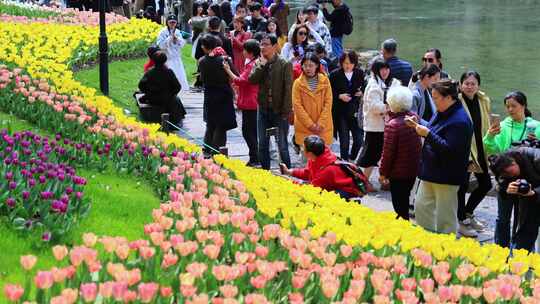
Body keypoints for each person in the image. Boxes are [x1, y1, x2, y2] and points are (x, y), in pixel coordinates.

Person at [407, 79, 473, 234]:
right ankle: (428, 241)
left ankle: (446, 250)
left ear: (449, 97)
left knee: (445, 217)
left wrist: (427, 134)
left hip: (447, 175)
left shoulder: (460, 121)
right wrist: (418, 122)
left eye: (436, 97)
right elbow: (434, 129)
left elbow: (450, 150)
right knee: (421, 207)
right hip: (430, 171)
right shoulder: (442, 111)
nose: (433, 100)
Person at [484, 91, 540, 248]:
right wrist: (489, 136)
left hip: (528, 177)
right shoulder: (502, 126)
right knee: (503, 217)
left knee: (525, 218)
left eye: (513, 106)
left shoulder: (536, 126)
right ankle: (500, 248)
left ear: (523, 106)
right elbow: (493, 150)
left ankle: (523, 250)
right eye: (507, 106)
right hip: (506, 174)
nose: (510, 109)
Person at [456, 71, 493, 238]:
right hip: (464, 149)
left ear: (478, 85)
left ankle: (468, 213)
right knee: (462, 187)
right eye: (467, 83)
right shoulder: (456, 101)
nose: (470, 87)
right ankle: (461, 221)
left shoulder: (483, 100)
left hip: (481, 146)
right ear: (461, 84)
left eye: (473, 83)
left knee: (486, 184)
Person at [249, 33, 293, 170]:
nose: (262, 47)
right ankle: (266, 173)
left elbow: (288, 89)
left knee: (282, 145)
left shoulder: (284, 64)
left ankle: (287, 173)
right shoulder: (259, 62)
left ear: (274, 46)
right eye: (261, 44)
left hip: (279, 111)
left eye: (266, 44)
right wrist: (262, 65)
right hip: (262, 109)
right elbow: (252, 80)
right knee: (262, 143)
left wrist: (286, 111)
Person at [379, 86, 422, 220]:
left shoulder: (393, 125)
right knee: (404, 201)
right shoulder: (413, 118)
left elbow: (388, 153)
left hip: (398, 173)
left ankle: (404, 233)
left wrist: (382, 173)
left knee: (399, 207)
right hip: (413, 169)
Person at [359, 59, 400, 190]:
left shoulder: (387, 83)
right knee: (371, 155)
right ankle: (363, 182)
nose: (385, 72)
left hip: (382, 126)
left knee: (382, 154)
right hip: (374, 127)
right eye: (382, 69)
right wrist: (389, 107)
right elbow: (374, 107)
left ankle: (382, 180)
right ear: (376, 70)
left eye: (387, 69)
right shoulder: (374, 86)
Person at [489, 147, 540, 252]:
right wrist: (506, 188)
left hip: (533, 191)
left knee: (527, 220)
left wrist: (534, 192)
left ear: (513, 163)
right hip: (508, 191)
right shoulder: (500, 164)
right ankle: (500, 252)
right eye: (507, 175)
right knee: (503, 219)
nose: (511, 176)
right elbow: (499, 181)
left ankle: (520, 252)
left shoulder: (536, 158)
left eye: (511, 173)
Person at [279, 135, 361, 200]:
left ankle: (351, 202)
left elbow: (313, 188)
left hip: (347, 190)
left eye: (303, 147)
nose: (302, 149)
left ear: (310, 153)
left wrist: (288, 183)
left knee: (320, 197)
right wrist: (290, 172)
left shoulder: (326, 169)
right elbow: (308, 173)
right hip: (333, 185)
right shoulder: (317, 156)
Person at [198, 34, 238, 156]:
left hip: (209, 93)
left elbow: (201, 79)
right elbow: (235, 74)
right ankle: (218, 150)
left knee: (210, 122)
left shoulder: (202, 61)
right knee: (221, 124)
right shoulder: (224, 59)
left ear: (204, 47)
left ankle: (206, 148)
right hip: (224, 93)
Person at [223, 39, 260, 166]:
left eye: (244, 50)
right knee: (250, 131)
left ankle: (255, 157)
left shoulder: (251, 65)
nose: (242, 52)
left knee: (248, 131)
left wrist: (228, 70)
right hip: (251, 100)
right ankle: (255, 156)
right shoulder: (254, 63)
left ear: (250, 53)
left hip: (250, 102)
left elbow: (240, 80)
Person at [292, 53, 333, 149]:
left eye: (311, 65)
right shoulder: (298, 84)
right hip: (304, 128)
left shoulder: (325, 80)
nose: (308, 68)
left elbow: (328, 102)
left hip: (323, 128)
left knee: (323, 159)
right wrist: (310, 125)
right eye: (305, 65)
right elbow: (297, 106)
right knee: (307, 159)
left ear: (317, 66)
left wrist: (320, 123)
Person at [329, 50, 365, 161]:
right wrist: (339, 96)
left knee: (359, 140)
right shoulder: (335, 74)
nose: (348, 65)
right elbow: (329, 93)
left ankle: (352, 157)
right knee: (344, 141)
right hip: (340, 112)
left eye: (350, 63)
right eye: (345, 63)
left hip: (355, 111)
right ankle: (344, 162)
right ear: (341, 63)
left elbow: (365, 86)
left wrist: (362, 92)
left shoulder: (359, 73)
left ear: (355, 63)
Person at [138, 51, 186, 125]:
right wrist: (171, 94)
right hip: (167, 98)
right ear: (165, 60)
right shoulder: (169, 72)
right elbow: (177, 86)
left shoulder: (150, 72)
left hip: (152, 98)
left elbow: (141, 85)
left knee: (176, 100)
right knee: (176, 100)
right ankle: (177, 120)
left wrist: (148, 92)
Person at [156, 14, 190, 92]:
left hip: (176, 57)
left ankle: (180, 89)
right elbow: (160, 45)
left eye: (174, 22)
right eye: (170, 22)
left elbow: (182, 44)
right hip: (167, 57)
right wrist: (169, 39)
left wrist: (177, 39)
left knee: (179, 74)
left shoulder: (178, 32)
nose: (172, 24)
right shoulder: (162, 32)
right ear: (167, 22)